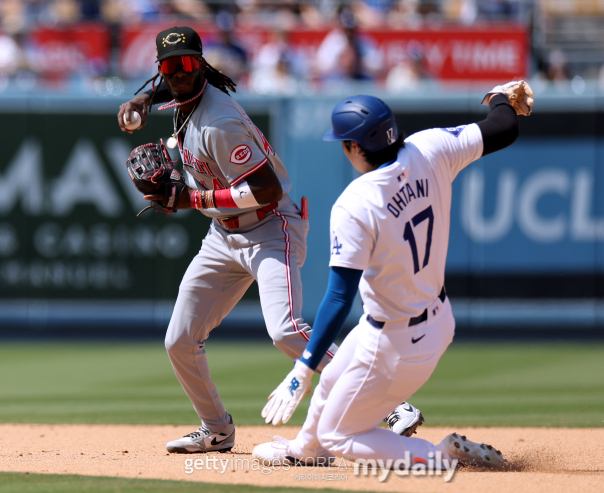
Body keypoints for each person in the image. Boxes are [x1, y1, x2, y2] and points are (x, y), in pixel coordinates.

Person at [116, 25, 423, 454]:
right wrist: (143, 99)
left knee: (286, 331)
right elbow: (168, 88)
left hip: (269, 227)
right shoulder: (182, 96)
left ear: (201, 64)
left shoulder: (219, 120)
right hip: (223, 235)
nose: (178, 73)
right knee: (179, 340)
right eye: (169, 66)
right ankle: (216, 429)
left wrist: (193, 198)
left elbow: (267, 189)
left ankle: (392, 404)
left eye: (186, 63)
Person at [254, 82, 533, 468]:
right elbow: (504, 127)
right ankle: (306, 451)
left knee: (339, 434)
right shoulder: (430, 147)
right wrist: (501, 97)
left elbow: (338, 297)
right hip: (434, 319)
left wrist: (302, 368)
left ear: (354, 147)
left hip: (396, 340)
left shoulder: (356, 203)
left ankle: (440, 457)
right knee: (333, 373)